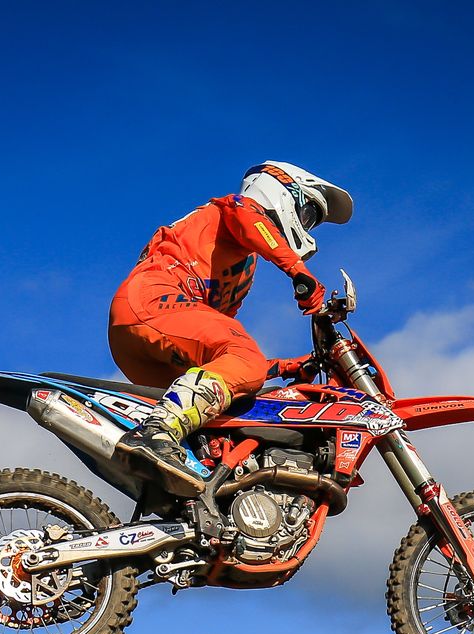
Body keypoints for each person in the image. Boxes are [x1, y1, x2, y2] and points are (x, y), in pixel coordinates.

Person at [108, 161, 352, 496]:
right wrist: (298, 272)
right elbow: (246, 215)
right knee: (246, 359)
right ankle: (155, 433)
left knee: (225, 416)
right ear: (282, 191)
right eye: (308, 214)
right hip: (153, 298)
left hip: (147, 335)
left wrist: (282, 368)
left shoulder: (243, 266)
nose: (307, 225)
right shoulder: (236, 209)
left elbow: (219, 353)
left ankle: (187, 504)